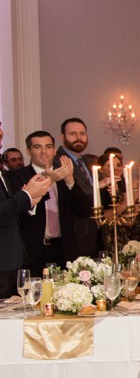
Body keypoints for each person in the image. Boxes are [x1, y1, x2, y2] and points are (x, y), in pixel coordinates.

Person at [12, 131, 89, 274]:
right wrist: (49, 178)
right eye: (37, 147)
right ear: (28, 151)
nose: (44, 152)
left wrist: (70, 180)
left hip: (64, 250)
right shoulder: (17, 176)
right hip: (33, 251)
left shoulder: (64, 174)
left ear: (54, 151)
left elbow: (83, 210)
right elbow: (19, 212)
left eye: (48, 147)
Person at [0, 122, 51, 296]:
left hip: (11, 258)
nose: (1, 131)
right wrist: (27, 196)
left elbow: (11, 206)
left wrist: (30, 199)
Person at [58, 118, 100, 257]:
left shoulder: (89, 161)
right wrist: (100, 185)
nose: (78, 138)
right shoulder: (58, 161)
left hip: (94, 230)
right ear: (62, 137)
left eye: (82, 133)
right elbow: (78, 193)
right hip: (75, 232)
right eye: (73, 134)